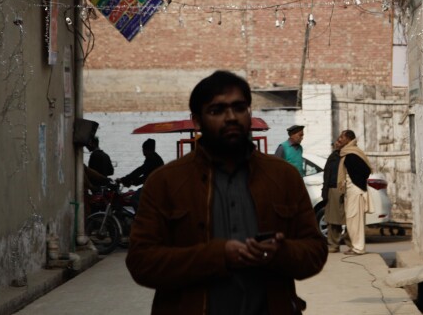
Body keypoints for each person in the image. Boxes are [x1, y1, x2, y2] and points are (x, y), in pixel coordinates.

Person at [126, 71, 327, 315]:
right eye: (217, 110)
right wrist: (216, 256)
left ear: (249, 113)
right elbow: (141, 262)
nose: (231, 117)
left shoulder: (283, 177)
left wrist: (280, 253)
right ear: (197, 121)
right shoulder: (166, 182)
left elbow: (315, 252)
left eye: (239, 107)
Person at [337, 130, 371, 255]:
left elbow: (366, 170)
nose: (339, 139)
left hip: (356, 190)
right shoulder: (348, 153)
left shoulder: (353, 154)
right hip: (351, 190)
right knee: (351, 220)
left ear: (348, 139)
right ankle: (356, 246)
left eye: (342, 137)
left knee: (355, 220)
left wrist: (357, 183)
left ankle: (359, 248)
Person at [322, 135, 350, 253]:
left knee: (350, 220)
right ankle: (333, 245)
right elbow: (327, 174)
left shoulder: (350, 155)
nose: (337, 143)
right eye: (336, 141)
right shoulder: (333, 156)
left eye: (339, 141)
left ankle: (352, 244)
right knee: (332, 220)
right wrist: (325, 191)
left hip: (347, 190)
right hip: (332, 189)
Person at [120, 138, 164, 211]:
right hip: (154, 186)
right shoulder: (154, 158)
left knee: (134, 199)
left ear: (148, 150)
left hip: (153, 188)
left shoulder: (152, 159)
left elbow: (140, 170)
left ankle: (142, 219)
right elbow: (145, 176)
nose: (143, 151)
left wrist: (125, 179)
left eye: (144, 149)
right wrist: (132, 182)